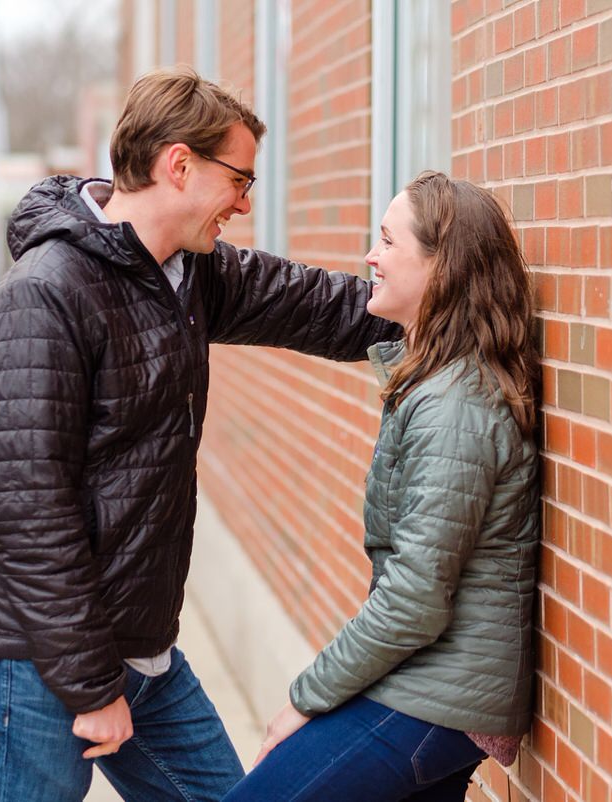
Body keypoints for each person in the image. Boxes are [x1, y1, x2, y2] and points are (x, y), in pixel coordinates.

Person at [0, 66, 400, 802]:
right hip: (37, 660)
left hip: (140, 649)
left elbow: (317, 305)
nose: (245, 205)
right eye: (239, 181)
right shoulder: (41, 297)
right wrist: (92, 686)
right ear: (179, 164)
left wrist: (437, 309)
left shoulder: (188, 274)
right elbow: (30, 514)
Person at [222, 171, 541, 802]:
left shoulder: (457, 406)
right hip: (431, 689)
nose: (371, 257)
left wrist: (305, 699)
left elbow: (414, 598)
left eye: (389, 243)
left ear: (441, 268)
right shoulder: (438, 385)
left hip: (435, 697)